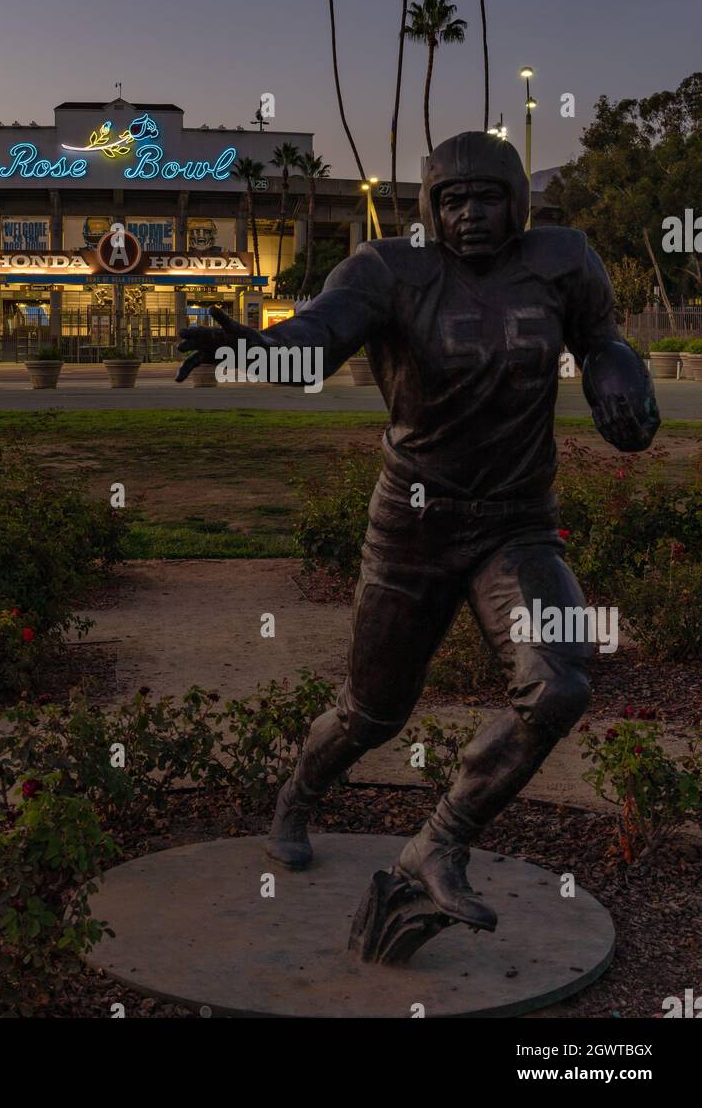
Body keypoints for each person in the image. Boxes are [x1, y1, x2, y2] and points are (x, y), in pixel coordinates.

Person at [176, 131, 659, 931]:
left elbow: (600, 336)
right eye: (452, 199)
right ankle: (297, 795)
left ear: (518, 202)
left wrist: (618, 371)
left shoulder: (565, 258)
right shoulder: (387, 269)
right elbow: (319, 339)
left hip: (517, 524)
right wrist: (254, 349)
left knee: (560, 684)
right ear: (428, 207)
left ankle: (440, 842)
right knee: (374, 711)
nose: (470, 214)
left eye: (488, 196)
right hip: (414, 523)